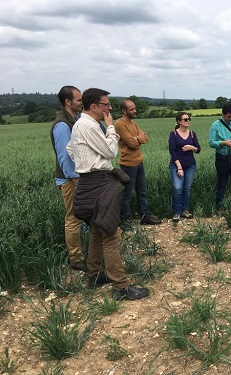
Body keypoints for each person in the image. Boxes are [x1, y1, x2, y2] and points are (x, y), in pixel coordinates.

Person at [67, 88, 148, 301]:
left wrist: (86, 160)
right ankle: (121, 286)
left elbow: (70, 149)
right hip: (100, 182)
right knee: (111, 233)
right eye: (106, 104)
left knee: (96, 229)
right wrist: (111, 128)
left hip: (88, 181)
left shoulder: (80, 125)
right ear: (95, 107)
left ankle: (94, 275)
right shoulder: (88, 125)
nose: (109, 108)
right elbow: (112, 151)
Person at [50, 86, 86, 271]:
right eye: (79, 100)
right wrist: (74, 179)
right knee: (73, 218)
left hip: (76, 177)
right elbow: (64, 157)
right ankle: (76, 258)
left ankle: (83, 251)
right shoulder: (62, 125)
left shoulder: (75, 120)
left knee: (81, 216)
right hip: (70, 180)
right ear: (68, 102)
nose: (82, 102)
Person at [115, 99, 161, 227]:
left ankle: (145, 216)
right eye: (131, 109)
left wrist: (139, 138)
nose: (135, 111)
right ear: (124, 111)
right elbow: (132, 143)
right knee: (127, 194)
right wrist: (138, 138)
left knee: (142, 191)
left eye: (135, 108)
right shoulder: (120, 124)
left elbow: (145, 137)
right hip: (128, 164)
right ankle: (125, 220)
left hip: (139, 162)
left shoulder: (133, 124)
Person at [208, 102, 231, 211]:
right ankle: (219, 207)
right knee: (222, 182)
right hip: (222, 158)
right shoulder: (216, 125)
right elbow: (211, 142)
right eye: (229, 116)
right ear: (223, 114)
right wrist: (224, 143)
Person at [169, 112, 201, 222]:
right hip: (177, 165)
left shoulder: (192, 134)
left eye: (189, 119)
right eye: (185, 119)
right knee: (178, 188)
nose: (188, 121)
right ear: (179, 121)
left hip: (190, 165)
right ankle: (176, 212)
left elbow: (198, 149)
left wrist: (192, 148)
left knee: (187, 188)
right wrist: (179, 167)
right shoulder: (173, 134)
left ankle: (185, 210)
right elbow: (172, 151)